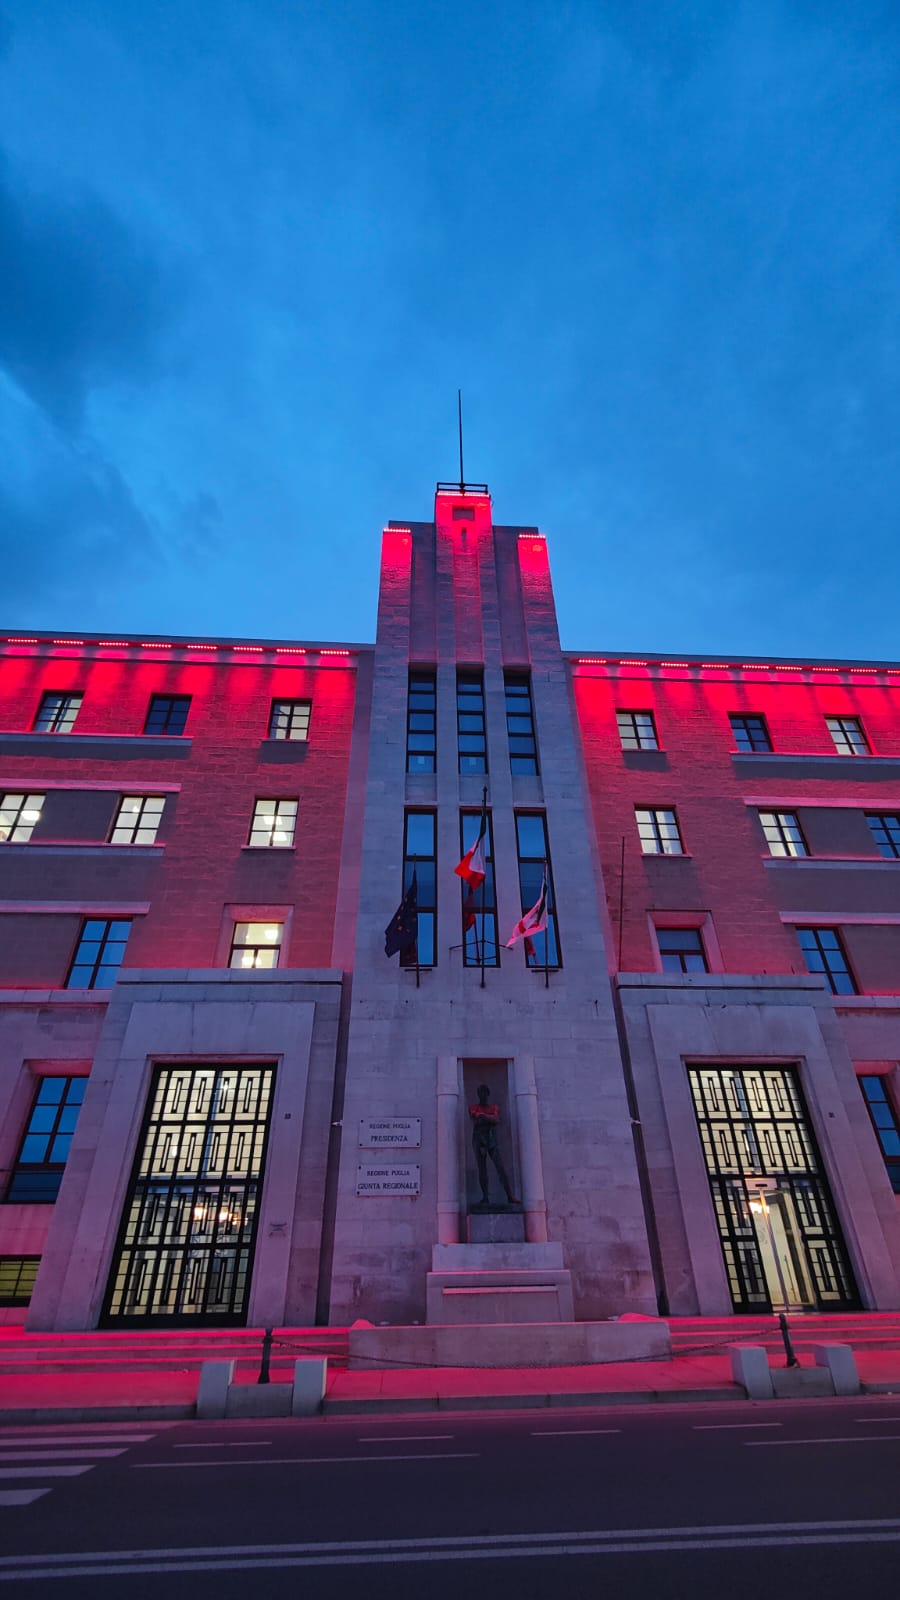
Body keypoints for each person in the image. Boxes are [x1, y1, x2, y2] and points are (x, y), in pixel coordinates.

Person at [468, 1084, 520, 1206]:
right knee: (482, 1169)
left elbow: (496, 1119)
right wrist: (488, 1118)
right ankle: (485, 1197)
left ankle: (510, 1195)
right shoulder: (473, 1107)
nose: (483, 1095)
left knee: (500, 1167)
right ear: (478, 1094)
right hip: (479, 1140)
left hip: (491, 1139)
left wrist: (483, 1116)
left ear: (488, 1094)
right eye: (480, 1093)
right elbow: (475, 1117)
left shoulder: (494, 1107)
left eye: (484, 1092)